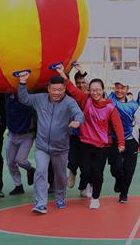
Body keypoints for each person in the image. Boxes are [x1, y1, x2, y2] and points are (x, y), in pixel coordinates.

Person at [57, 64, 125, 209]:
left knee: (97, 173)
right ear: (90, 90)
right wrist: (62, 74)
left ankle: (95, 198)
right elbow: (72, 89)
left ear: (103, 90)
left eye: (98, 90)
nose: (95, 93)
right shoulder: (85, 99)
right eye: (93, 90)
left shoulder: (110, 107)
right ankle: (84, 185)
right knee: (86, 172)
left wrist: (121, 143)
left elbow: (118, 125)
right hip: (85, 143)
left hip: (102, 146)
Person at [15, 71, 83, 214]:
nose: (57, 93)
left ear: (64, 89)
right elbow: (24, 99)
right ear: (48, 88)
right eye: (54, 89)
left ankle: (60, 198)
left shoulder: (69, 102)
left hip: (61, 148)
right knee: (40, 171)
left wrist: (77, 121)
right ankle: (40, 203)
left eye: (60, 89)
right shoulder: (40, 99)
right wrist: (22, 82)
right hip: (42, 147)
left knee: (60, 175)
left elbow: (78, 113)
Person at [110, 82, 140, 203]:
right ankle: (118, 179)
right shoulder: (110, 99)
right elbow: (95, 91)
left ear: (127, 89)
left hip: (131, 140)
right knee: (115, 168)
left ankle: (124, 193)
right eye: (117, 87)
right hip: (114, 140)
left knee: (129, 170)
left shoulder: (134, 105)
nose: (119, 90)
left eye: (122, 88)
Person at [5, 90, 37, 196]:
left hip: (27, 135)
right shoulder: (8, 95)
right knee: (10, 162)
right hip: (12, 134)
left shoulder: (29, 98)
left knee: (21, 160)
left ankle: (30, 169)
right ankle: (18, 185)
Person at [67, 68, 88, 190]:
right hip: (74, 134)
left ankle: (83, 187)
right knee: (73, 158)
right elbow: (66, 83)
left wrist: (83, 72)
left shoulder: (92, 95)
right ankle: (72, 171)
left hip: (89, 135)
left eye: (83, 82)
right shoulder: (72, 95)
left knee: (86, 164)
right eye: (78, 83)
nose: (81, 85)